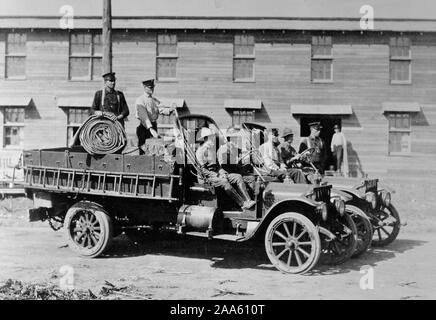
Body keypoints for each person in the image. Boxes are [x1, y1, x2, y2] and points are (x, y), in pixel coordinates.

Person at [196, 127, 256, 210]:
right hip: (207, 178)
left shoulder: (212, 150)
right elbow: (203, 171)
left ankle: (248, 200)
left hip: (216, 175)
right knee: (224, 182)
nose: (213, 139)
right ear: (206, 138)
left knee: (238, 177)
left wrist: (223, 173)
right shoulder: (200, 151)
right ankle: (242, 203)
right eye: (211, 138)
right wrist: (218, 175)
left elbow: (218, 166)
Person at [135, 79, 175, 155]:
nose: (152, 89)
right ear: (144, 87)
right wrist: (150, 129)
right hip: (144, 127)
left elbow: (161, 109)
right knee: (143, 148)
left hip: (153, 125)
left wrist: (170, 109)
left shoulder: (154, 100)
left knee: (154, 148)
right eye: (150, 87)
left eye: (152, 87)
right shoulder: (140, 100)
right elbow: (144, 116)